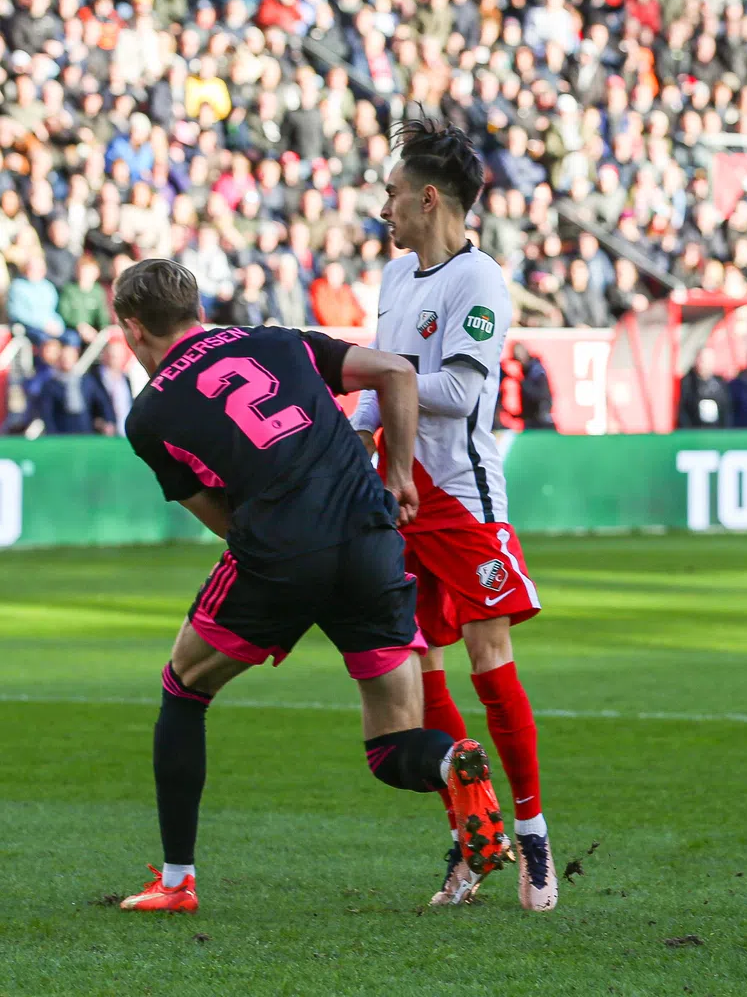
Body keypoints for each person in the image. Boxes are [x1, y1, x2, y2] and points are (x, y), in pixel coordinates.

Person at [108, 258, 508, 912]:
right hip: (373, 536)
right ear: (198, 310)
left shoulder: (148, 417)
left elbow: (221, 520)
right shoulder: (274, 339)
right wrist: (399, 472)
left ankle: (177, 883)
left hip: (281, 553)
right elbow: (396, 372)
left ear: (130, 328)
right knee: (392, 746)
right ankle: (449, 762)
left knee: (182, 689)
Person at [352, 120, 557, 911]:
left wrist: (376, 374)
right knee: (417, 668)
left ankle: (534, 835)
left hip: (461, 495)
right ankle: (473, 837)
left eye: (393, 195)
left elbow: (461, 393)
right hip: (394, 490)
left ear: (428, 198)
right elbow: (376, 393)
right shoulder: (394, 280)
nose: (385, 209)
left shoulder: (481, 281)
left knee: (487, 655)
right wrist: (336, 417)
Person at [83, 336, 136, 435]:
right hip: (102, 436)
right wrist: (100, 424)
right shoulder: (92, 378)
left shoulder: (126, 379)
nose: (116, 360)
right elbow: (87, 408)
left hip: (126, 434)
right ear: (104, 355)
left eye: (120, 356)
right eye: (113, 356)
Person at [677, 348, 732, 428]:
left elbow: (726, 410)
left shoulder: (720, 383)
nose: (704, 364)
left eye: (708, 361)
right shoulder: (688, 382)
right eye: (702, 360)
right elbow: (683, 411)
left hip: (716, 431)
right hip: (695, 431)